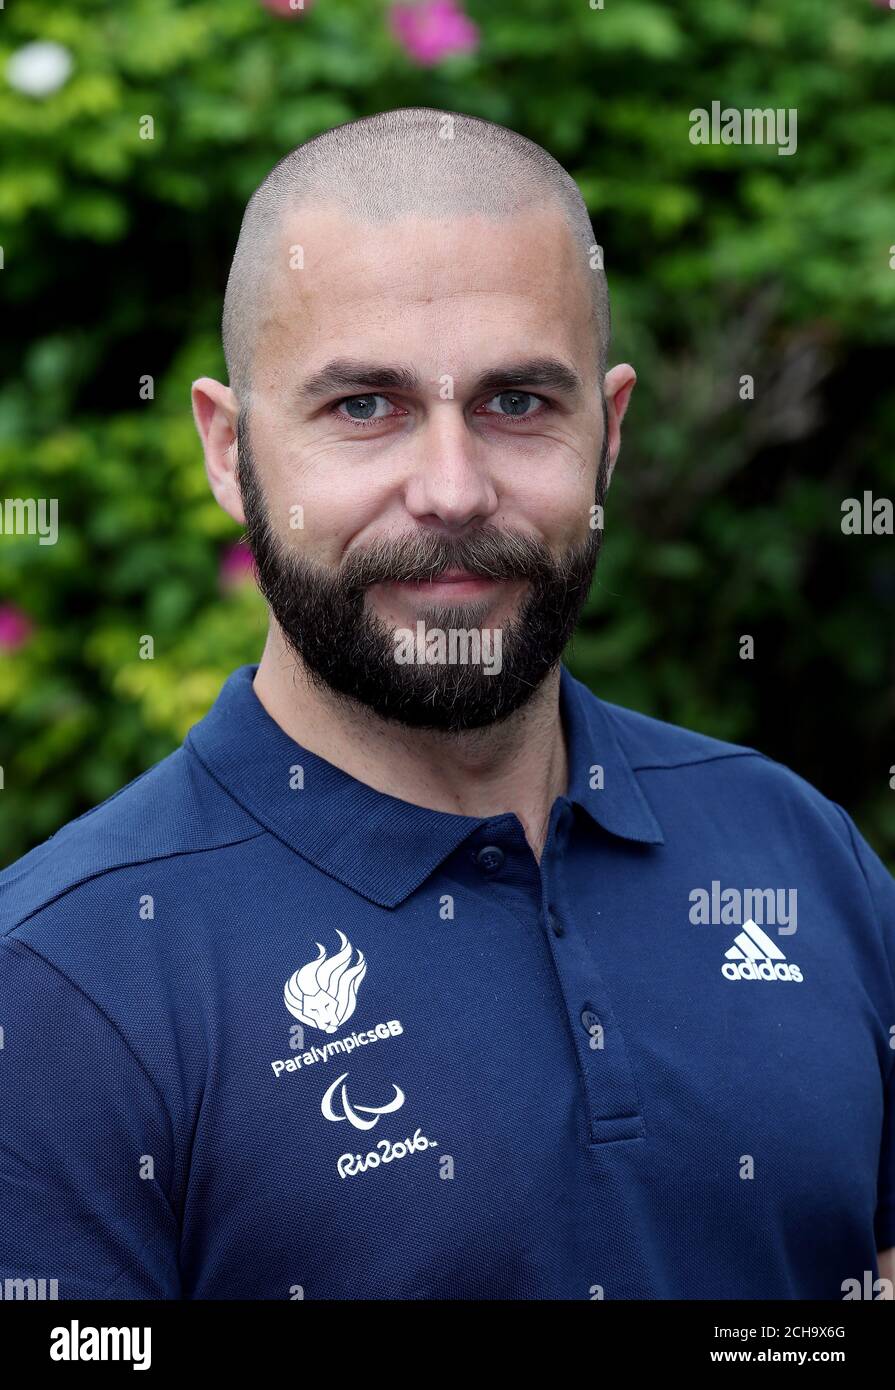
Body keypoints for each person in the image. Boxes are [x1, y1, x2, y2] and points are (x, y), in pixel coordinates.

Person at [0, 107, 892, 1301]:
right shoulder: (63, 983)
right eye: (361, 406)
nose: (452, 489)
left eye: (517, 402)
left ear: (608, 434)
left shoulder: (801, 853)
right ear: (228, 449)